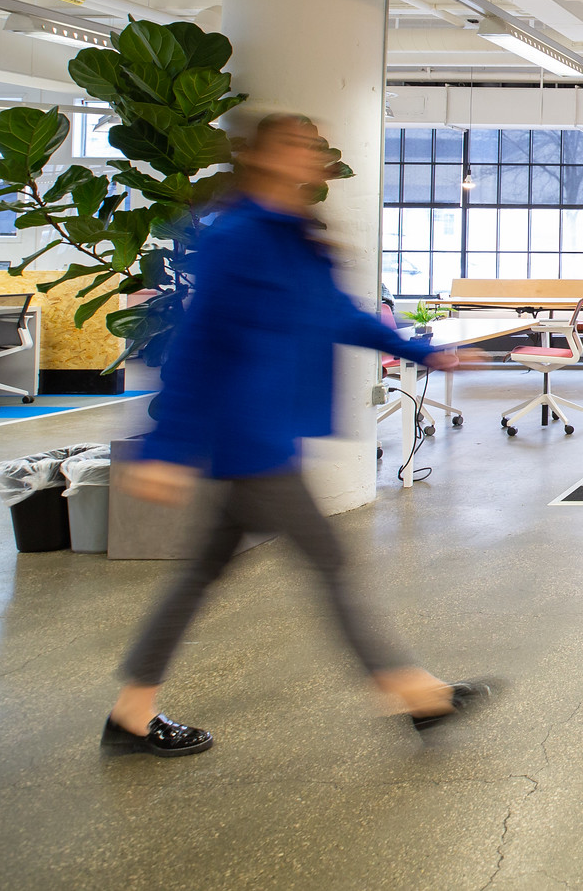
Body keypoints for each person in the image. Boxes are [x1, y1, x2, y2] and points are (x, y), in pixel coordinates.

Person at [102, 112, 494, 760]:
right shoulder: (239, 234)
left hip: (269, 427)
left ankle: (132, 710)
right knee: (330, 562)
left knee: (203, 570)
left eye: (315, 143)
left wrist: (421, 350)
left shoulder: (292, 234)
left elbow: (336, 313)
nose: (314, 154)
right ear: (263, 157)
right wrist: (169, 446)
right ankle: (415, 693)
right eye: (297, 144)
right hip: (248, 434)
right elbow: (200, 339)